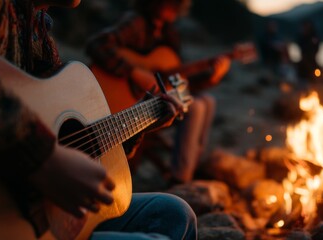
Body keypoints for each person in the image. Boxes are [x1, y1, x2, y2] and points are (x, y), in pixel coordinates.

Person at [0, 0, 197, 239]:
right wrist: (44, 159)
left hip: (43, 210)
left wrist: (143, 119)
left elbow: (78, 141)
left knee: (175, 213)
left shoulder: (37, 26)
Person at [86, 0, 231, 184]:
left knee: (208, 100)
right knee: (196, 107)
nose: (176, 6)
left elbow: (176, 83)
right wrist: (135, 72)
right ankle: (180, 179)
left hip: (153, 97)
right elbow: (96, 44)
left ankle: (193, 165)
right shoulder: (137, 22)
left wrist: (211, 78)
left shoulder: (169, 32)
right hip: (128, 98)